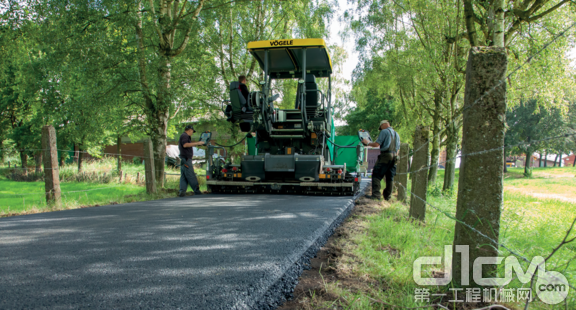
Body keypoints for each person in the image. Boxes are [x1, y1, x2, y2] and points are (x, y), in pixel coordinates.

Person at [362, 120, 401, 201]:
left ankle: (376, 195)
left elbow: (377, 144)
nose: (381, 129)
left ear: (383, 125)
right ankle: (388, 197)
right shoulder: (396, 134)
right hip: (395, 156)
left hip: (385, 155)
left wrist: (367, 142)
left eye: (381, 127)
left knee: (376, 174)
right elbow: (398, 148)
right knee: (390, 177)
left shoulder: (384, 132)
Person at [178, 124, 206, 197]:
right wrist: (197, 143)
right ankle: (197, 191)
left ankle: (182, 192)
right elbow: (185, 145)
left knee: (184, 176)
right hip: (186, 159)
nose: (192, 133)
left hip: (183, 159)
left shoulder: (184, 135)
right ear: (190, 130)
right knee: (191, 175)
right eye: (192, 132)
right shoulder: (185, 136)